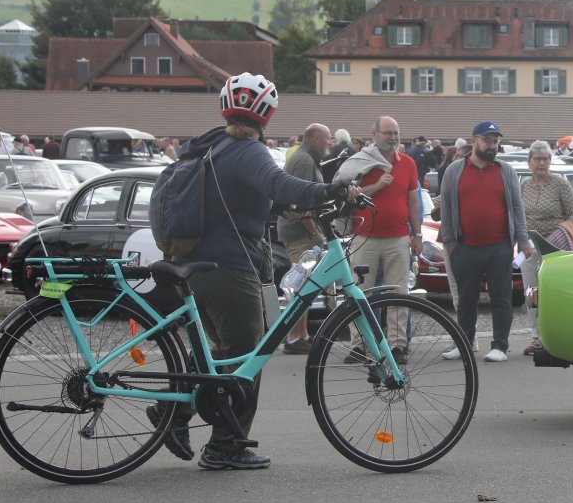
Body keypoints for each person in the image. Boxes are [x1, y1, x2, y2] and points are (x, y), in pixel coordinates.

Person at [155, 73, 358, 471]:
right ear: (267, 114)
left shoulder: (215, 146)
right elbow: (279, 183)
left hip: (197, 264)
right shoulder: (249, 150)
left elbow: (241, 197)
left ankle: (172, 410)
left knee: (223, 355)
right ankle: (226, 446)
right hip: (229, 268)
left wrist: (283, 207)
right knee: (251, 353)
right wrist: (329, 190)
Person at [439, 121, 533, 363]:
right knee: (466, 301)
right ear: (474, 141)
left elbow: (517, 207)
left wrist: (523, 240)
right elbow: (446, 208)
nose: (492, 146)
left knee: (501, 298)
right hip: (464, 247)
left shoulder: (505, 171)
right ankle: (464, 344)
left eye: (495, 141)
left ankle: (500, 346)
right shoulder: (454, 171)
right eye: (487, 141)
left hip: (499, 247)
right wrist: (450, 243)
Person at [337, 117, 421, 356]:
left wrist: (417, 234)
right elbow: (347, 194)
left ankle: (397, 345)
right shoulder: (360, 163)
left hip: (398, 238)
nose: (393, 137)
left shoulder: (408, 163)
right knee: (360, 293)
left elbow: (414, 201)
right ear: (374, 135)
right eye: (388, 133)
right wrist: (378, 186)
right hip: (364, 237)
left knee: (399, 294)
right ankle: (360, 346)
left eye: (396, 133)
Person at [519, 140, 573, 356]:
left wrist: (561, 232)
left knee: (553, 293)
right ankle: (536, 337)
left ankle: (557, 337)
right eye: (537, 159)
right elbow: (518, 215)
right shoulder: (524, 186)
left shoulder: (560, 184)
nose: (542, 163)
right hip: (529, 246)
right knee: (531, 292)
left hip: (555, 248)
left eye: (545, 159)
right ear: (529, 162)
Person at [276, 123, 333, 354]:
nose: (330, 143)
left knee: (305, 286)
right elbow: (299, 201)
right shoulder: (303, 161)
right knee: (299, 286)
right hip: (300, 233)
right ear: (316, 139)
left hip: (302, 232)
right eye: (328, 138)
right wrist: (313, 232)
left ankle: (302, 335)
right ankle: (293, 338)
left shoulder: (307, 159)